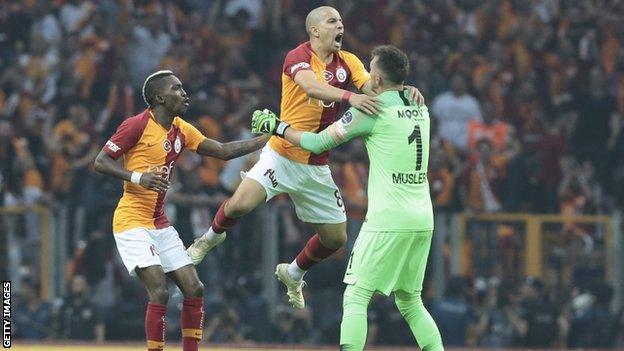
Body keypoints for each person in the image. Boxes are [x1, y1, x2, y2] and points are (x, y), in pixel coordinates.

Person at [187, 5, 423, 309]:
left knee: (336, 239)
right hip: (282, 154)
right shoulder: (297, 57)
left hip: (315, 164)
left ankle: (293, 273)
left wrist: (404, 91)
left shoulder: (348, 61)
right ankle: (207, 239)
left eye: (340, 21)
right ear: (315, 30)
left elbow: (375, 89)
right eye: (332, 21)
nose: (340, 26)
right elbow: (312, 86)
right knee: (239, 204)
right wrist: (351, 97)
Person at [251, 45, 443, 351]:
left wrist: (277, 126)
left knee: (356, 295)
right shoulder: (420, 105)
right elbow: (401, 94)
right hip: (422, 219)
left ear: (376, 79)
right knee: (410, 300)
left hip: (387, 220)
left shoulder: (371, 109)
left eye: (370, 70)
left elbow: (315, 143)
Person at [93, 70, 268, 351]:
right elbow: (101, 161)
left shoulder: (181, 128)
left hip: (159, 223)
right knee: (160, 292)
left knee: (194, 288)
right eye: (177, 89)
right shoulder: (136, 125)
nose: (184, 93)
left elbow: (221, 150)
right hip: (131, 222)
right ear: (159, 98)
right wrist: (138, 177)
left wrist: (266, 140)